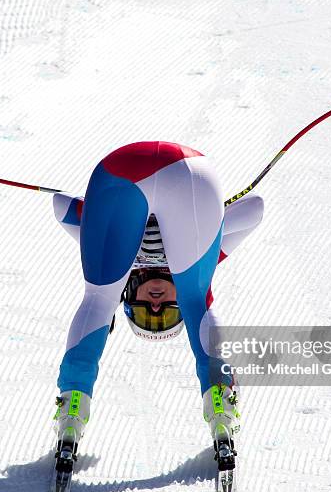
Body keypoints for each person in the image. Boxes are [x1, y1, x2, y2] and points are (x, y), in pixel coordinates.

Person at [51, 141, 264, 458]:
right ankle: (220, 403)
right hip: (189, 174)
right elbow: (255, 208)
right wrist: (213, 222)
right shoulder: (208, 259)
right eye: (166, 314)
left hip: (122, 170)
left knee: (99, 298)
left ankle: (72, 408)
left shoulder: (116, 267)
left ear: (128, 296)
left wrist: (95, 216)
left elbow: (61, 206)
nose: (154, 305)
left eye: (143, 312)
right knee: (197, 300)